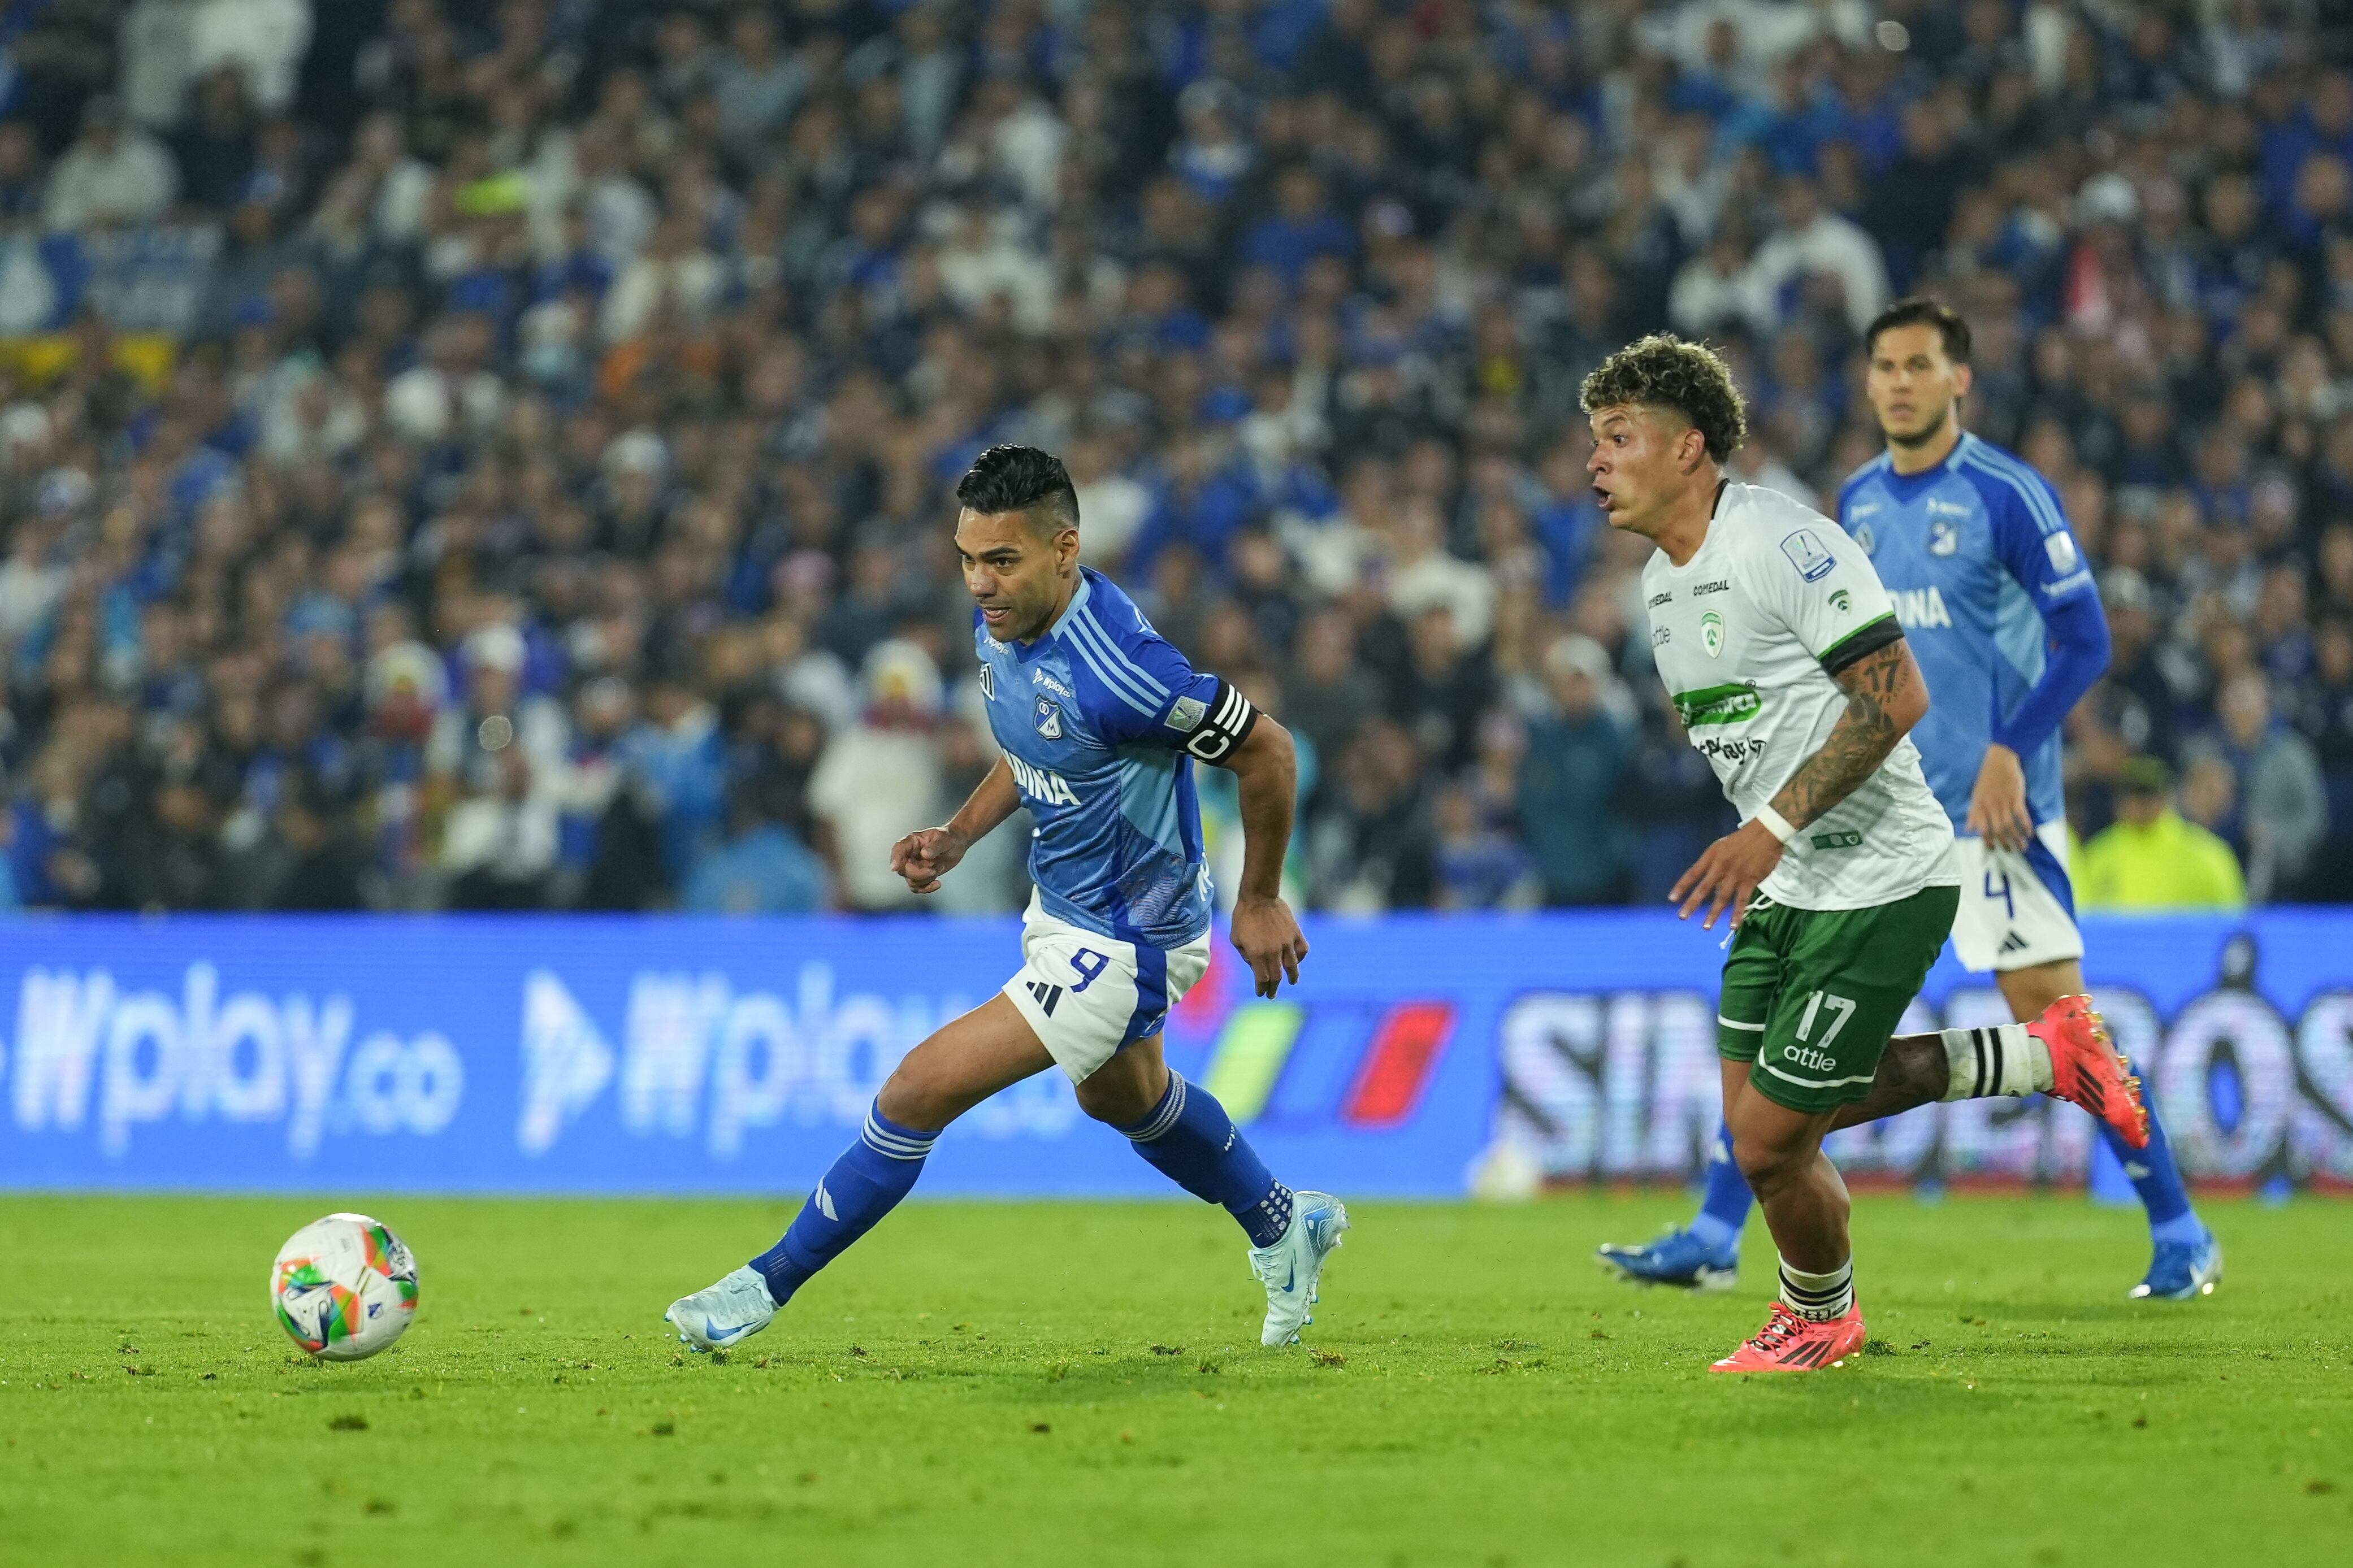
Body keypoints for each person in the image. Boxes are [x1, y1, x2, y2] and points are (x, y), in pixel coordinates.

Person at [1601, 299, 2221, 1305]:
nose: (1897, 383)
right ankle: (1716, 1232)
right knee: (1778, 1048)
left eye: (1918, 365)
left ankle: (2179, 1230)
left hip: (1987, 805)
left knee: (2055, 1019)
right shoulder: (1851, 501)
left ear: (1958, 378)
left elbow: (2084, 642)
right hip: (1856, 805)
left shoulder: (2004, 494)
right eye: (1882, 366)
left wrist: (2010, 750)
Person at [665, 446, 1345, 1352]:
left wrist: (1256, 897)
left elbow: (1270, 750)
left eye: (1000, 560)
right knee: (1125, 1098)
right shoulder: (1006, 623)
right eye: (967, 559)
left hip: (1129, 937)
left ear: (1065, 549)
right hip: (1061, 906)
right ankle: (1283, 1222)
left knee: (916, 1089)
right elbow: (1036, 744)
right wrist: (958, 832)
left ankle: (759, 1284)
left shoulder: (1128, 669)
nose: (979, 583)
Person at [2078, 757, 2248, 911]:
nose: (2141, 804)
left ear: (2167, 798)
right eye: (2134, 795)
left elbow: (2233, 920)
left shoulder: (2206, 854)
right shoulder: (2099, 854)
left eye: (2149, 795)